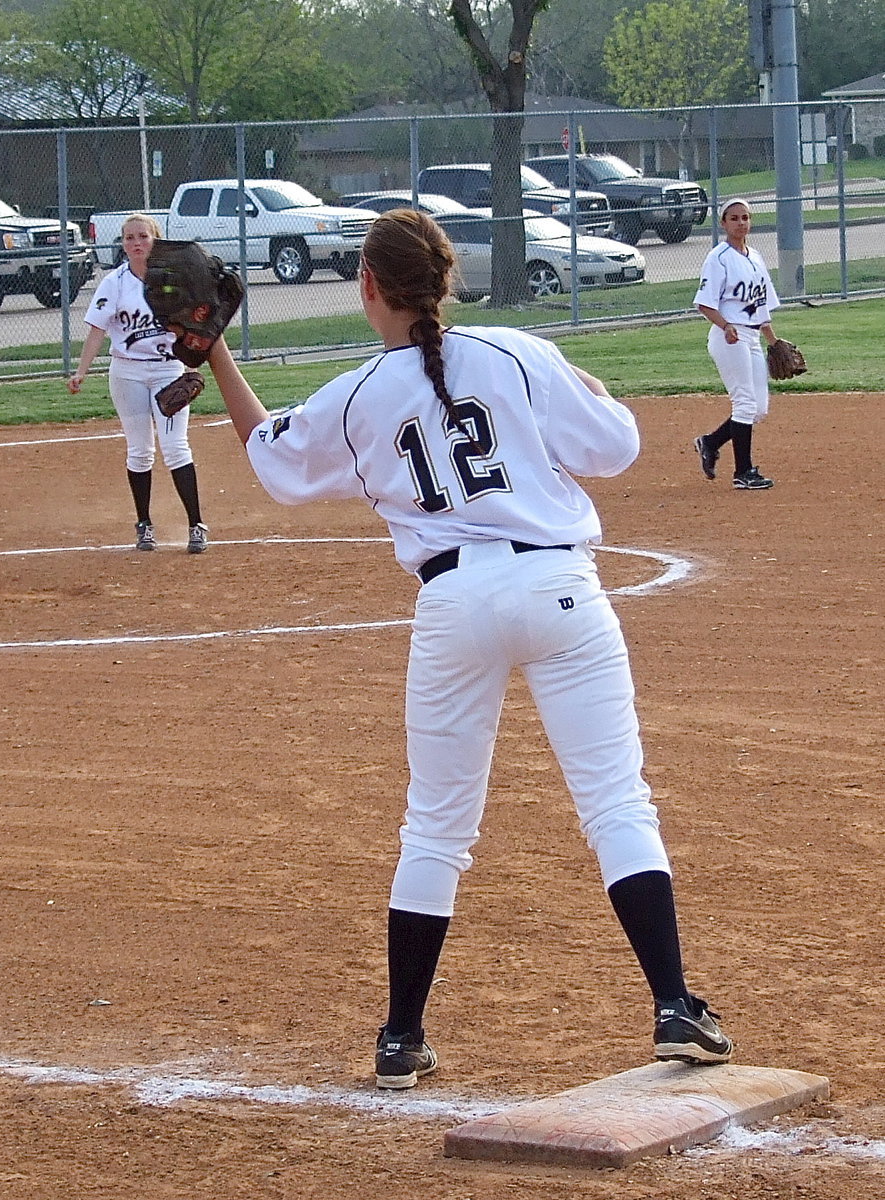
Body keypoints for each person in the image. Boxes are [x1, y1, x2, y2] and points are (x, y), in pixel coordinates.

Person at [206, 208, 733, 1089]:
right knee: (614, 803)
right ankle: (675, 1004)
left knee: (437, 825)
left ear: (368, 287)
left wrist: (217, 352)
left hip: (451, 604)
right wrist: (587, 384)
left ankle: (399, 1037)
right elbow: (615, 449)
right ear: (445, 280)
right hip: (561, 589)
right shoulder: (516, 351)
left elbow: (274, 462)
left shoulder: (359, 392)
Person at [68, 213, 209, 553]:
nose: (135, 243)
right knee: (140, 450)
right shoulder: (114, 283)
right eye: (129, 237)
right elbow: (97, 330)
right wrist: (82, 370)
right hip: (127, 372)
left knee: (175, 447)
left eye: (142, 236)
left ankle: (196, 525)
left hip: (168, 371)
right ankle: (144, 524)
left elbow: (198, 323)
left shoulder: (173, 281)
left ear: (154, 240)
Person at [693, 198, 783, 490]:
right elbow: (704, 304)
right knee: (744, 402)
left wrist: (773, 340)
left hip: (752, 336)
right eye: (734, 218)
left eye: (745, 217)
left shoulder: (755, 257)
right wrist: (725, 325)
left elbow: (761, 307)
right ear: (723, 223)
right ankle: (743, 472)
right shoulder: (718, 258)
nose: (741, 223)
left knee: (758, 408)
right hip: (728, 337)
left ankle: (710, 442)